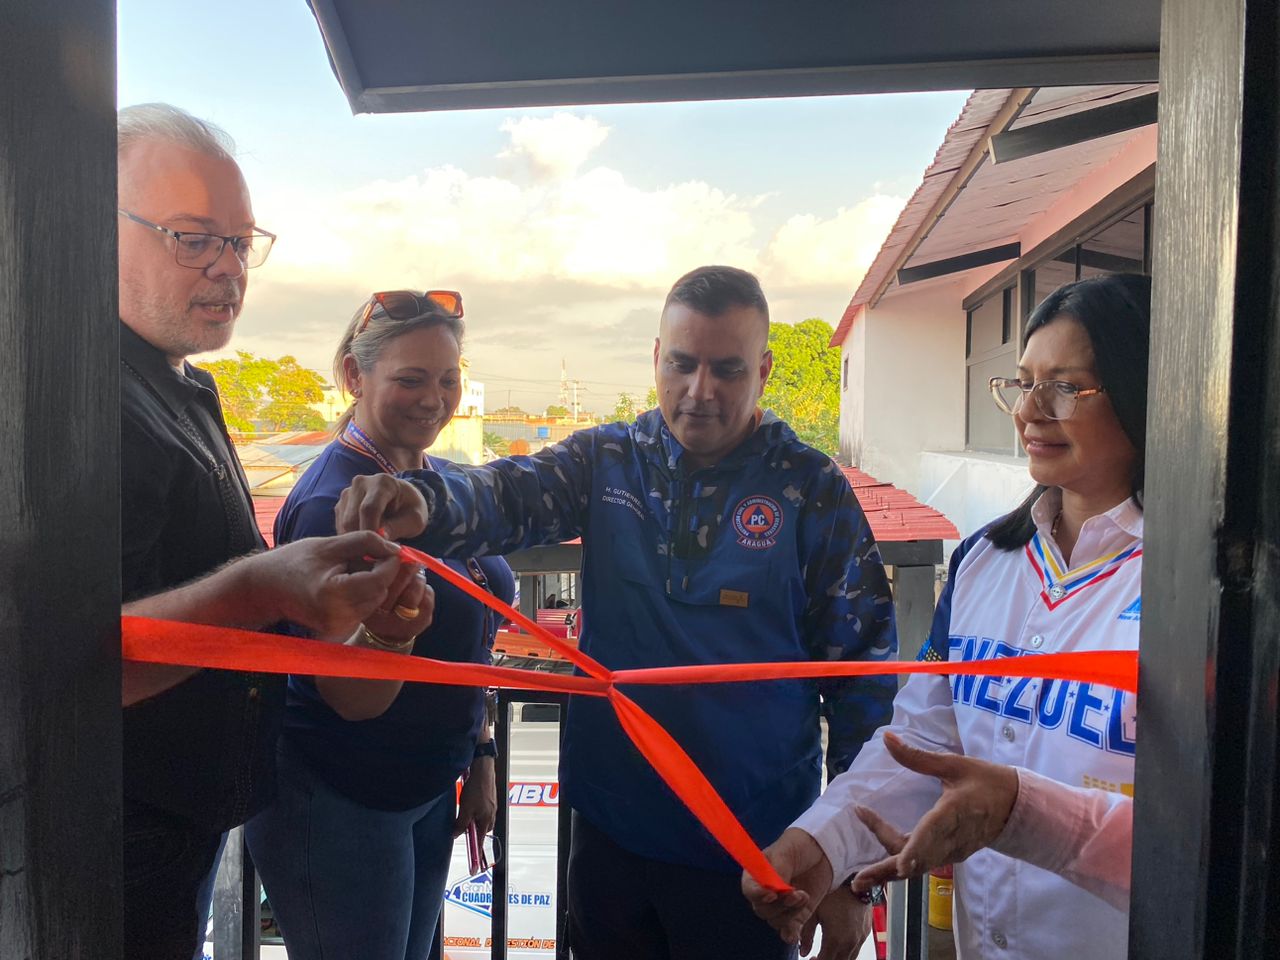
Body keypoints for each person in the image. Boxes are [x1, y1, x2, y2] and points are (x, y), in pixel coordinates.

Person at [333, 265, 898, 960]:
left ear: (764, 370)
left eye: (727, 369)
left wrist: (850, 870)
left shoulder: (811, 489)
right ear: (657, 358)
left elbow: (866, 683)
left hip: (757, 852)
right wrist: (422, 500)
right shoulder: (609, 460)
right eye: (682, 364)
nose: (700, 391)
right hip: (611, 834)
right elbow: (507, 494)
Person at [743, 273, 1151, 960]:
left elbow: (1213, 837)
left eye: (1064, 386)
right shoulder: (983, 562)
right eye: (1022, 384)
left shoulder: (1199, 587)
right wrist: (821, 844)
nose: (1029, 412)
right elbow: (922, 742)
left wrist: (1022, 814)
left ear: (1143, 393)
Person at [117, 104, 431, 959]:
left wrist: (349, 614)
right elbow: (60, 669)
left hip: (185, 824)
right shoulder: (74, 398)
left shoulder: (183, 386)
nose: (228, 267)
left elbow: (217, 595)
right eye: (193, 238)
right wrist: (264, 587)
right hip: (108, 844)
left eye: (240, 241)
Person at [245, 290, 513, 960]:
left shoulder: (440, 486)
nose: (434, 399)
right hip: (341, 797)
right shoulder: (335, 505)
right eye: (411, 379)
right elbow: (345, 692)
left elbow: (470, 642)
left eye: (448, 379)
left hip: (422, 790)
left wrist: (480, 756)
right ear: (354, 377)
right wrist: (395, 632)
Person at [848, 731, 1132, 912]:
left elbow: (1159, 856)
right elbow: (923, 734)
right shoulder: (949, 648)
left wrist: (1023, 812)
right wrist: (832, 855)